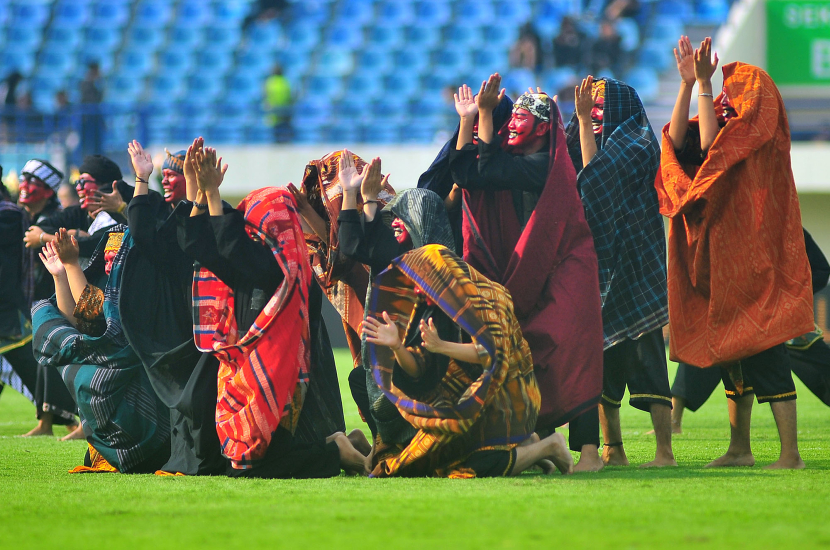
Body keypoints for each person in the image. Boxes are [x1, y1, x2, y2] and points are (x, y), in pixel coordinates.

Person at [656, 36, 814, 469]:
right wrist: (689, 85)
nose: (728, 100)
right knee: (730, 352)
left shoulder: (755, 126)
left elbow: (712, 148)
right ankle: (739, 448)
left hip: (752, 253)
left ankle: (791, 454)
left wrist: (705, 86)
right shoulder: (727, 115)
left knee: (765, 351)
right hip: (720, 249)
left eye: (732, 95)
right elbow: (678, 142)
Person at [176, 145, 365, 478]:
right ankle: (341, 444)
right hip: (261, 371)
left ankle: (338, 450)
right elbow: (201, 246)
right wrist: (201, 194)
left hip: (281, 371)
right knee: (252, 461)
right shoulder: (267, 261)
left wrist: (213, 192)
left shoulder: (284, 269)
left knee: (257, 465)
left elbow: (234, 246)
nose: (252, 226)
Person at [447, 74, 605, 470]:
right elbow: (468, 173)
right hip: (534, 272)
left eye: (523, 118)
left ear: (543, 128)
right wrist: (471, 118)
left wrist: (484, 114)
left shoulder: (541, 164)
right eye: (511, 116)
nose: (513, 123)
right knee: (529, 353)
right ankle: (538, 441)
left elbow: (489, 167)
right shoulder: (513, 155)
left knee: (574, 353)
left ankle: (589, 452)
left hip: (567, 268)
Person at [363, 245, 574, 477]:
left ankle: (550, 446)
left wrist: (442, 347)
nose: (417, 286)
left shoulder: (485, 296)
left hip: (509, 395)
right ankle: (527, 445)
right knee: (436, 461)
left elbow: (494, 355)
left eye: (422, 278)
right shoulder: (429, 307)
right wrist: (397, 347)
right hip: (468, 400)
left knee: (471, 467)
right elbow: (419, 369)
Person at [567, 76, 675, 467]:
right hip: (601, 272)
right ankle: (613, 449)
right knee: (602, 365)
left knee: (649, 365)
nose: (593, 116)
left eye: (599, 110)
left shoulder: (638, 143)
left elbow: (596, 180)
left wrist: (581, 124)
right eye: (589, 110)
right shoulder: (596, 137)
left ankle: (664, 452)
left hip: (637, 268)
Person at [335, 154, 456, 464]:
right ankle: (387, 444)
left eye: (406, 217)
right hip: (397, 359)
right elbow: (352, 247)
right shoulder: (396, 253)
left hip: (434, 376)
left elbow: (430, 362)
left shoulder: (443, 274)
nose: (397, 221)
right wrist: (357, 196)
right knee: (360, 380)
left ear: (424, 222)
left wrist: (400, 344)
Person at [121, 139, 226, 475]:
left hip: (207, 321)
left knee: (199, 397)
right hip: (176, 320)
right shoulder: (167, 217)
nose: (166, 179)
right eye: (162, 174)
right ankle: (183, 458)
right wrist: (141, 178)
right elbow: (140, 232)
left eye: (174, 174)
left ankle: (208, 457)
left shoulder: (209, 216)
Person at [32, 228, 172, 473]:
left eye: (116, 253)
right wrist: (60, 276)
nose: (110, 258)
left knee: (92, 376)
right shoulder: (107, 284)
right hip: (118, 397)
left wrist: (73, 264)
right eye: (107, 253)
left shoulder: (142, 283)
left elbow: (94, 313)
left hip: (142, 394)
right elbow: (77, 324)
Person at [668, 228, 830, 432]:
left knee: (822, 366)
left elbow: (820, 270)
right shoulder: (733, 225)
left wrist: (785, 297)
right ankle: (673, 420)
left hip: (783, 320)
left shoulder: (788, 227)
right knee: (705, 352)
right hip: (743, 315)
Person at [14, 159, 80, 437]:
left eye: (34, 183)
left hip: (60, 295)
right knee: (44, 359)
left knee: (56, 356)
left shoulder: (54, 222)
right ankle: (47, 423)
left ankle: (71, 423)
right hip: (37, 300)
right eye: (24, 180)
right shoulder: (26, 218)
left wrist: (43, 237)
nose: (25, 187)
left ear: (48, 192)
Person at [26, 155, 134, 260]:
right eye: (77, 182)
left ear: (106, 187)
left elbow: (92, 245)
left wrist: (43, 238)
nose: (78, 188)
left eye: (83, 182)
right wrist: (72, 233)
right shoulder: (78, 212)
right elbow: (39, 228)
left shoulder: (119, 217)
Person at [264, 65, 291, 142]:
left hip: (273, 109)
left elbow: (266, 95)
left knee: (275, 128)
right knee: (284, 128)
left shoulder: (270, 82)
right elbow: (289, 95)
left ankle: (276, 141)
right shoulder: (285, 81)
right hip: (284, 108)